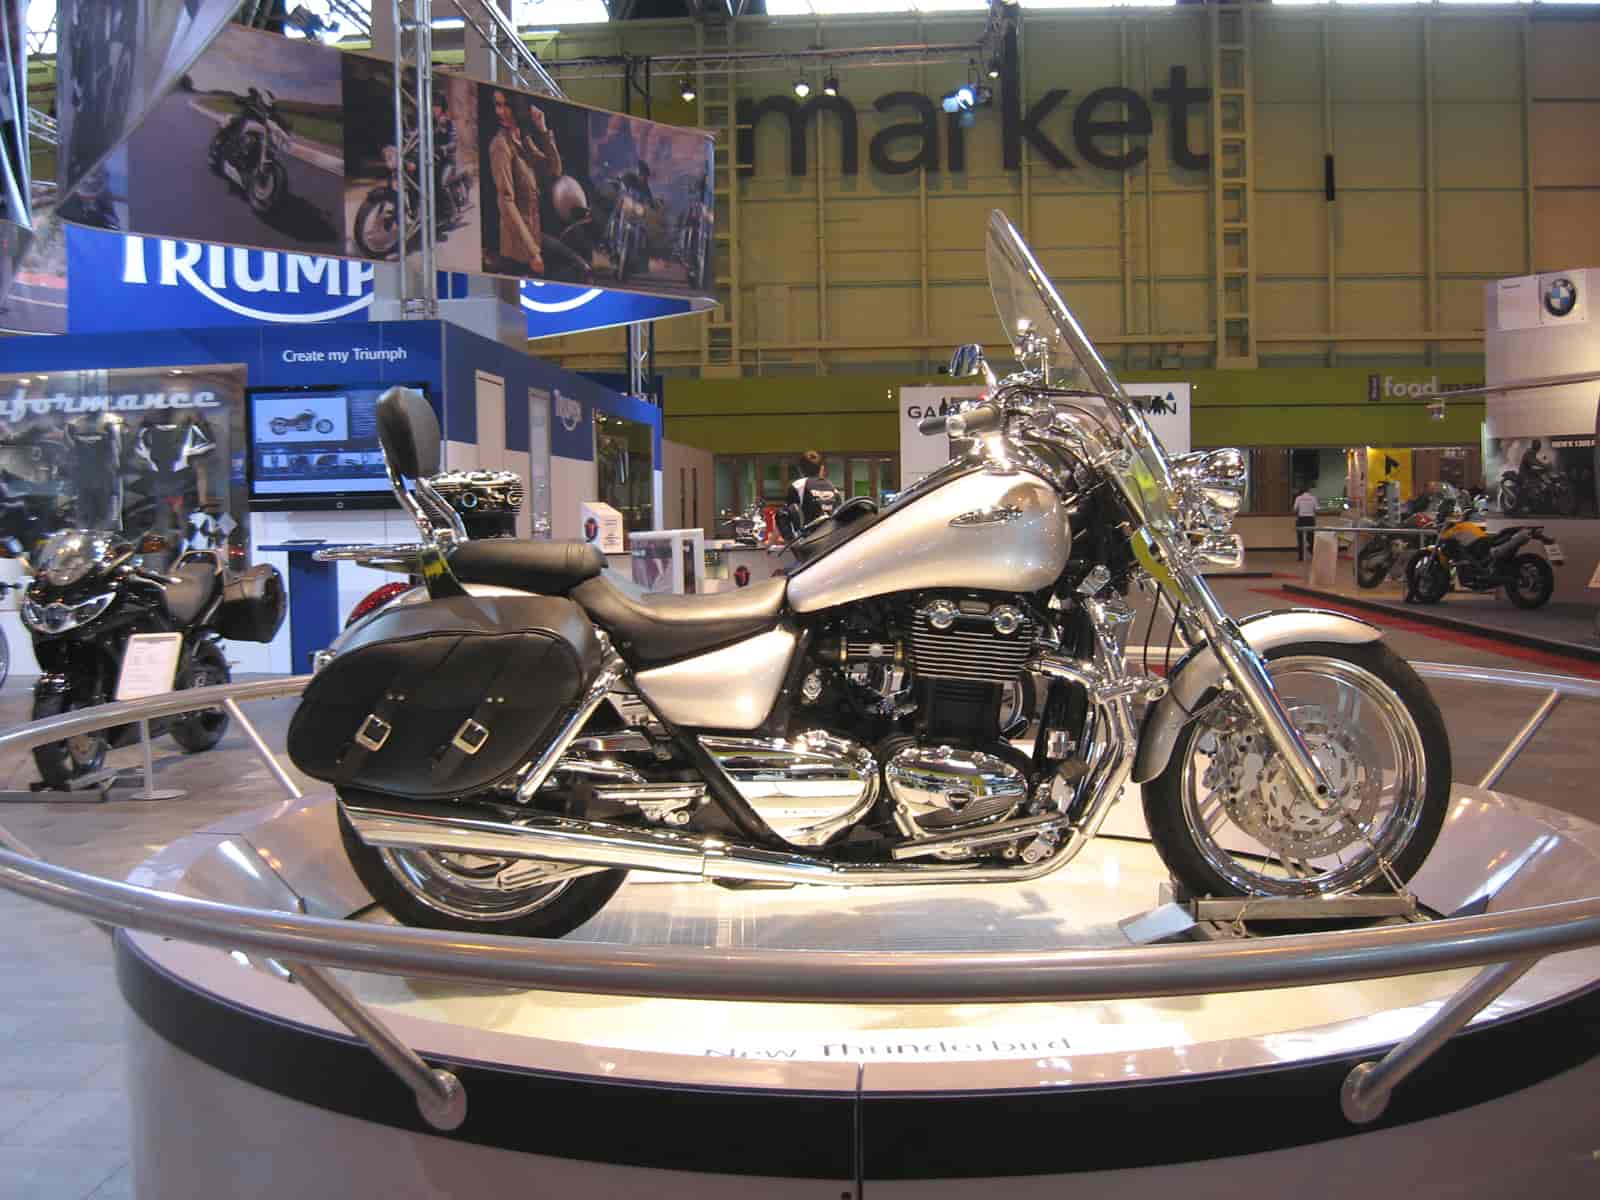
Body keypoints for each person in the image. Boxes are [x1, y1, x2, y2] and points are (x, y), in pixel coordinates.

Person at [487, 90, 561, 276]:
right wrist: (532, 251)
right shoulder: (501, 145)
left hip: (534, 234)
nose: (500, 112)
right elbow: (506, 201)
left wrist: (543, 130)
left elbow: (554, 170)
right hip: (518, 249)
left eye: (506, 105)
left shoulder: (523, 138)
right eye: (497, 105)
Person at [789, 451, 840, 527]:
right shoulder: (833, 488)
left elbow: (789, 515)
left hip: (810, 533)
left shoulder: (797, 486)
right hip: (832, 532)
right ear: (822, 468)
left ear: (800, 469)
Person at [431, 95, 459, 228]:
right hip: (433, 160)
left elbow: (454, 142)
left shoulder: (449, 123)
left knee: (443, 184)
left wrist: (444, 148)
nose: (434, 109)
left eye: (437, 106)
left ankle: (453, 213)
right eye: (433, 106)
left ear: (442, 108)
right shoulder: (429, 123)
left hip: (447, 161)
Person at [1293, 483, 1318, 563]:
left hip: (1301, 519)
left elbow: (1295, 509)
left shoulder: (1298, 498)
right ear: (1308, 490)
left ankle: (1301, 556)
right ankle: (1313, 554)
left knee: (1300, 538)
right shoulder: (1313, 498)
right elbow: (1316, 509)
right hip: (1310, 519)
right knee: (1311, 538)